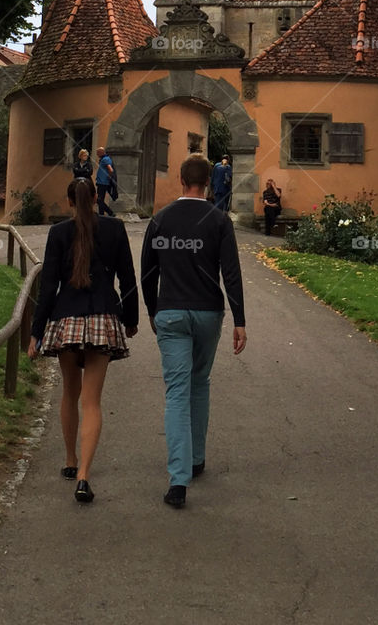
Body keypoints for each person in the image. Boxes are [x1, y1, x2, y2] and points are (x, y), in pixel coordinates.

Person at [140, 155, 246, 510]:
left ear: (182, 180)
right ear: (207, 183)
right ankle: (197, 458)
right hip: (207, 311)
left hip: (170, 310)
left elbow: (148, 271)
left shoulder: (161, 220)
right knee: (200, 382)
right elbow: (230, 272)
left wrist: (152, 310)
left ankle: (178, 479)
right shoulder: (218, 221)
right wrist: (240, 320)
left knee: (176, 392)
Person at [28, 177, 138, 503]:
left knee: (69, 393)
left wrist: (36, 332)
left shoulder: (58, 233)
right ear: (95, 198)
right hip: (103, 318)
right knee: (92, 401)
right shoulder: (115, 229)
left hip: (67, 320)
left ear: (69, 202)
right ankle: (84, 476)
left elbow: (47, 287)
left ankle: (69, 459)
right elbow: (129, 278)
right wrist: (130, 320)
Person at [95, 146, 116, 216]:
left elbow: (110, 169)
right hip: (101, 182)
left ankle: (110, 212)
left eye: (97, 153)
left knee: (99, 200)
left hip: (103, 183)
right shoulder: (103, 159)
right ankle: (101, 214)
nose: (97, 154)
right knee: (100, 200)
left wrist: (109, 176)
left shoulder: (105, 159)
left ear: (101, 152)